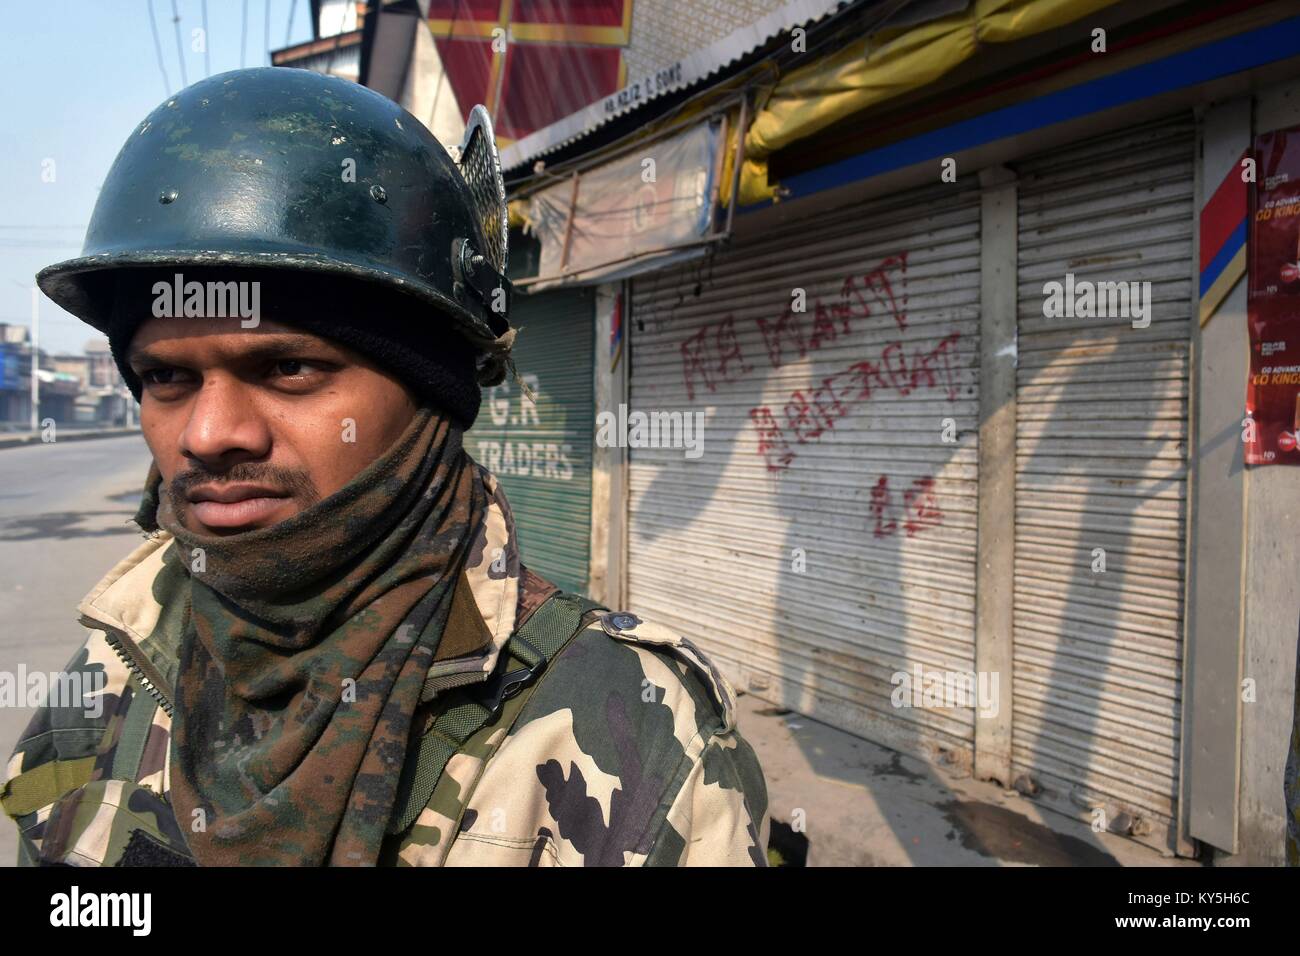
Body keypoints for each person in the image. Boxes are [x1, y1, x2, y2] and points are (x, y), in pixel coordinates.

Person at [0, 67, 768, 867]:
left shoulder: (638, 731)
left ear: (430, 396)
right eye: (166, 378)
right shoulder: (125, 644)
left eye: (289, 368)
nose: (209, 433)